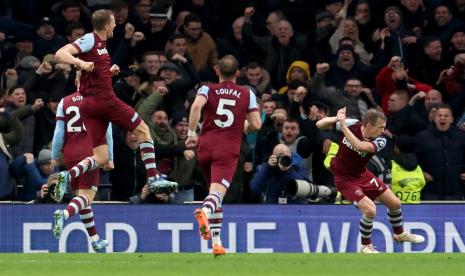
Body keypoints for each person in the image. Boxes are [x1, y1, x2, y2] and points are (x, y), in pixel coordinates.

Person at [53, 9, 177, 204]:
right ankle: (153, 179)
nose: (116, 26)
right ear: (107, 25)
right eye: (114, 23)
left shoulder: (100, 45)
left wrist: (107, 72)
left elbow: (92, 73)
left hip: (90, 105)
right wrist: (80, 63)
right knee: (144, 131)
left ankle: (67, 176)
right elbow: (60, 54)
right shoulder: (90, 39)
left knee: (101, 157)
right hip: (104, 101)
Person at [316, 107, 425, 253]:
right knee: (370, 210)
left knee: (395, 203)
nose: (383, 131)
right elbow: (320, 124)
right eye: (380, 127)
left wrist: (342, 126)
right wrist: (337, 119)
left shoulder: (381, 140)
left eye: (384, 127)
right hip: (344, 179)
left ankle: (399, 234)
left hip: (362, 175)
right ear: (368, 125)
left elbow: (360, 146)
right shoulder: (352, 124)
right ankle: (366, 246)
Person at [185, 55, 262, 256]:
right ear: (238, 73)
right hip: (227, 150)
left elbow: (195, 106)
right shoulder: (247, 93)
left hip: (205, 146)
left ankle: (217, 244)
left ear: (217, 70)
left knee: (214, 194)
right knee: (216, 196)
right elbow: (256, 124)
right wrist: (243, 126)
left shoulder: (207, 88)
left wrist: (192, 134)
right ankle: (204, 212)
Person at [50, 73, 114, 252]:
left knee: (82, 199)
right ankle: (64, 213)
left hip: (70, 153)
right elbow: (107, 134)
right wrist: (110, 158)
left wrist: (55, 155)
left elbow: (58, 132)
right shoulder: (101, 101)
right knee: (88, 196)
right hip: (92, 152)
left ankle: (95, 240)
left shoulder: (65, 101)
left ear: (77, 81)